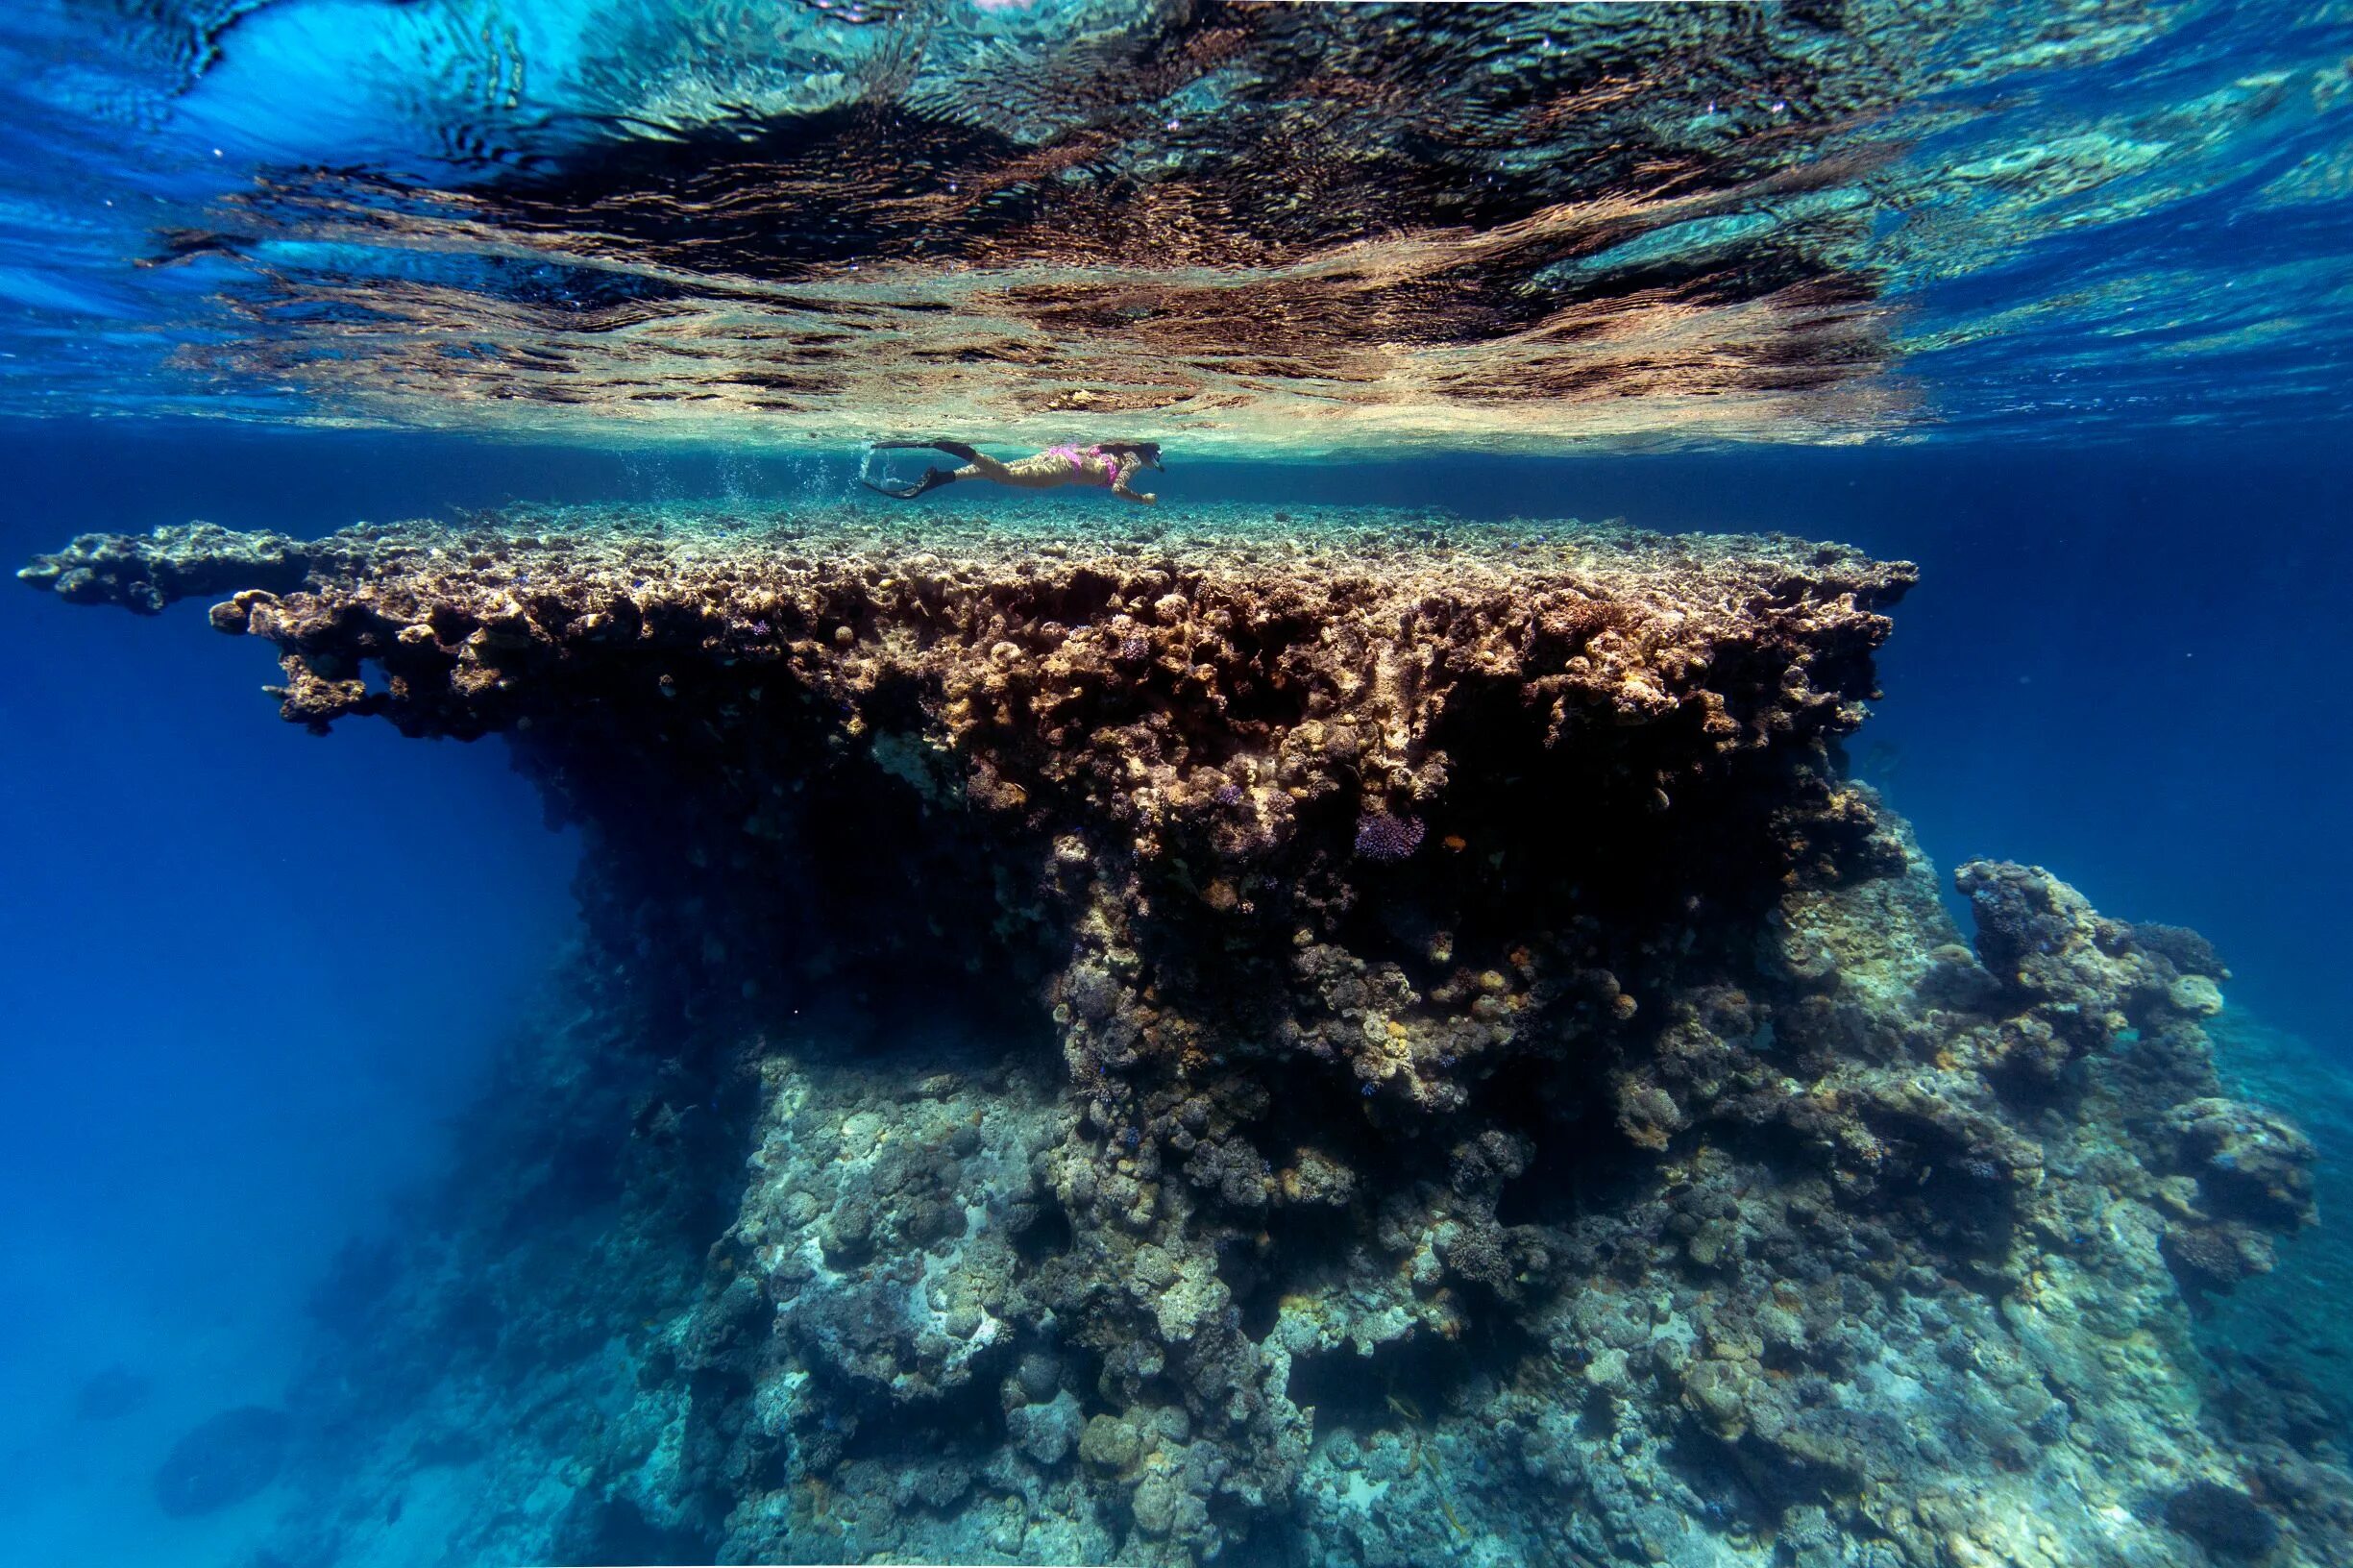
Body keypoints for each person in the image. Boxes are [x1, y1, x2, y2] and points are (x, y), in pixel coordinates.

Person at [861, 439, 1163, 503]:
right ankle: (957, 449)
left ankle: (942, 478)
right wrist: (1143, 499)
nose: (1153, 464)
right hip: (1066, 469)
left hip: (1058, 453)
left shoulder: (1113, 449)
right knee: (1005, 476)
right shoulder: (1133, 461)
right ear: (1148, 455)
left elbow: (1081, 450)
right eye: (1155, 460)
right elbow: (1117, 489)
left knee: (1000, 470)